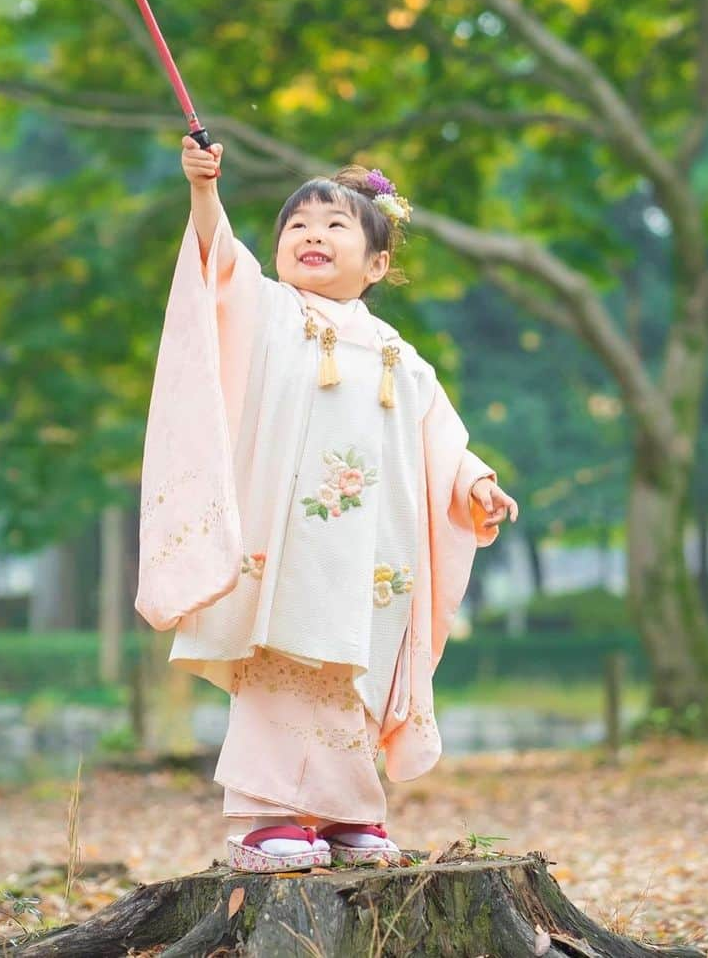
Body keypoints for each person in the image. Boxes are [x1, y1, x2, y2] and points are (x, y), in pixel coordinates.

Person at [135, 135, 519, 873]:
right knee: (289, 659)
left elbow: (439, 434)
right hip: (294, 542)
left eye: (336, 224)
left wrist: (474, 482)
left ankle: (348, 811)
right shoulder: (274, 313)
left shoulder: (397, 353)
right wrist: (205, 190)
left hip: (374, 552)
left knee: (353, 670)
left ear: (377, 265)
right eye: (299, 224)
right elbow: (222, 265)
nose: (313, 233)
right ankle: (263, 816)